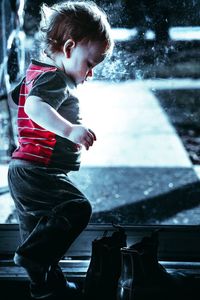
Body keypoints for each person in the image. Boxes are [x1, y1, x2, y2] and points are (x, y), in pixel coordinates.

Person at [7, 1, 114, 299]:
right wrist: (70, 130)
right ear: (68, 48)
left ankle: (44, 287)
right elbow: (33, 105)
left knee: (39, 239)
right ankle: (37, 266)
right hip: (38, 169)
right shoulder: (54, 77)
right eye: (89, 64)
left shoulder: (38, 71)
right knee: (77, 208)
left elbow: (20, 98)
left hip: (23, 171)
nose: (90, 74)